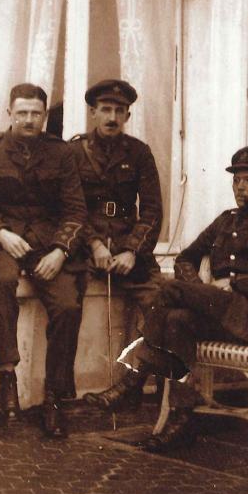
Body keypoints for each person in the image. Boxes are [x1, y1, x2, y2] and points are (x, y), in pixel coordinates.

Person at [114, 146, 248, 451]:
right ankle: (182, 420)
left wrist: (236, 282)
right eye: (236, 180)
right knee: (177, 318)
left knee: (168, 290)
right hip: (219, 315)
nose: (240, 186)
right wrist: (198, 291)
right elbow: (185, 258)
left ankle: (133, 381)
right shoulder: (225, 222)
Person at [0, 83, 88, 439]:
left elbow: (75, 210)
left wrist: (60, 251)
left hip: (47, 245)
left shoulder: (62, 154)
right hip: (6, 242)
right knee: (2, 282)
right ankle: (7, 378)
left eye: (36, 113)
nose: (29, 119)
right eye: (22, 112)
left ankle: (53, 396)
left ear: (44, 116)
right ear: (9, 114)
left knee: (68, 304)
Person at [72, 79, 163, 411]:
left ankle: (132, 383)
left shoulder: (139, 153)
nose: (112, 117)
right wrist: (94, 244)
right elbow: (70, 208)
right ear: (93, 112)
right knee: (66, 301)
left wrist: (132, 250)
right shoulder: (74, 152)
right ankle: (62, 391)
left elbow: (152, 209)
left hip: (127, 244)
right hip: (84, 246)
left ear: (127, 115)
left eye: (119, 111)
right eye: (105, 110)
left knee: (160, 306)